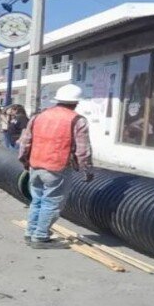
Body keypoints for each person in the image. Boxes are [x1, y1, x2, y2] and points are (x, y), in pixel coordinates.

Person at [18, 84, 94, 249]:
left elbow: (25, 142)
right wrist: (87, 170)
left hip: (35, 165)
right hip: (57, 168)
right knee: (51, 203)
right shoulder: (77, 120)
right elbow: (83, 150)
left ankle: (30, 232)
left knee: (37, 200)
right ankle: (40, 237)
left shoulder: (39, 116)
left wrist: (25, 162)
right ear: (76, 103)